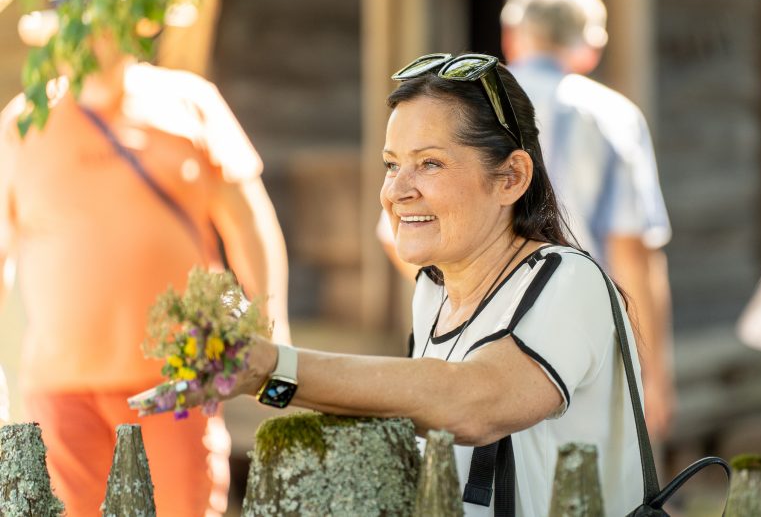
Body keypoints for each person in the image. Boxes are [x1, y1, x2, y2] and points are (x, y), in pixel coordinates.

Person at [133, 52, 647, 516]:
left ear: (511, 177)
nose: (397, 191)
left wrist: (271, 367)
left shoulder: (569, 281)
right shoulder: (433, 293)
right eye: (391, 165)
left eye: (430, 163)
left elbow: (471, 403)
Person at [0, 0, 291, 517]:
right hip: (61, 389)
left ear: (129, 26)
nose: (92, 41)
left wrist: (270, 321)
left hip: (176, 380)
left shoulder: (190, 103)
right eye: (77, 29)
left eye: (102, 24)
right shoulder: (23, 124)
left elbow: (248, 220)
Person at [499, 0, 674, 439]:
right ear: (588, 45)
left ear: (511, 35)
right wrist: (653, 375)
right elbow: (632, 253)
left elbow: (394, 233)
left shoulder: (467, 106)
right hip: (584, 346)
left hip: (480, 341)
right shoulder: (613, 115)